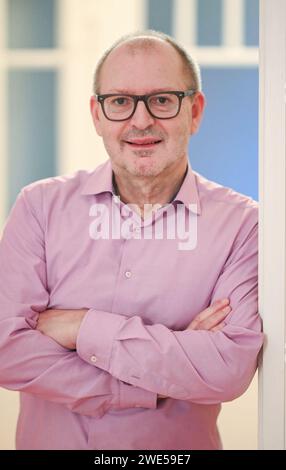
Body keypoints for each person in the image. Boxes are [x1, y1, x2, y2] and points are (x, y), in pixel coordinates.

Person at [0, 30, 263, 450]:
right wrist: (160, 378)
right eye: (121, 101)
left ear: (194, 111)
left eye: (162, 99)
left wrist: (80, 326)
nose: (141, 121)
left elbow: (227, 370)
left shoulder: (244, 226)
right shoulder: (39, 207)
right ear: (97, 114)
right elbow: (7, 350)